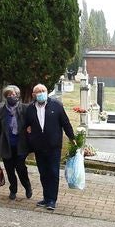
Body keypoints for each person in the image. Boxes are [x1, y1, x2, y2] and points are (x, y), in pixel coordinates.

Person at [22, 82, 76, 211]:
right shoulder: (30, 109)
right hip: (39, 146)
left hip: (54, 146)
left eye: (43, 90)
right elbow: (25, 125)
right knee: (43, 173)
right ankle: (46, 197)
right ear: (34, 95)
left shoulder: (56, 105)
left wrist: (72, 138)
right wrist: (29, 135)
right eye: (38, 91)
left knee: (53, 172)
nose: (41, 93)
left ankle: (52, 200)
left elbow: (65, 123)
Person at [0, 84, 31, 201]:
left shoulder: (25, 109)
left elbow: (31, 124)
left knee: (20, 168)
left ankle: (27, 186)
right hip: (6, 145)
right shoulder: (1, 111)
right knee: (9, 169)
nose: (11, 96)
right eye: (9, 95)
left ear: (18, 96)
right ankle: (13, 190)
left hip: (21, 145)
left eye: (13, 94)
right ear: (5, 96)